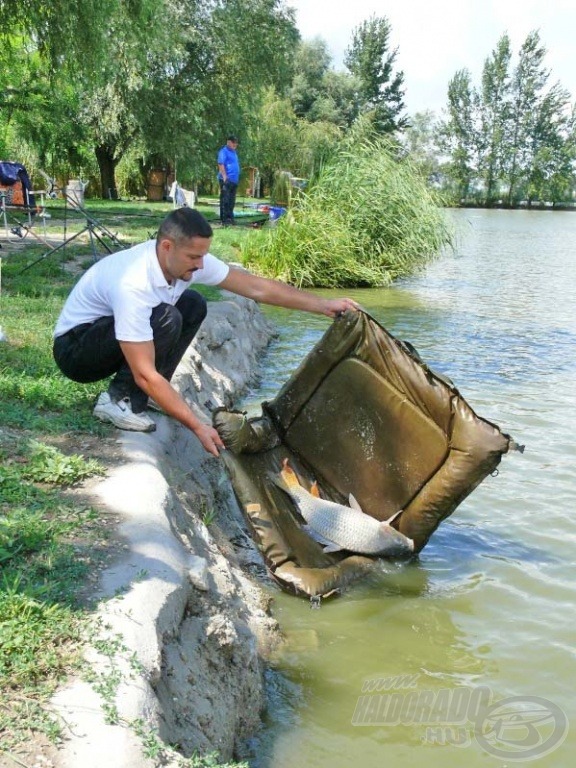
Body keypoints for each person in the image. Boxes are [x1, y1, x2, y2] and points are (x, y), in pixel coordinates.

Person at [53, 207, 360, 457]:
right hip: (76, 350)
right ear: (167, 246)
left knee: (193, 304)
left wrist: (323, 305)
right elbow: (144, 372)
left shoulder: (184, 260)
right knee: (165, 317)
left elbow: (256, 287)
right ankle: (115, 401)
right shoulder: (134, 282)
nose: (201, 265)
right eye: (194, 257)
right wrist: (197, 426)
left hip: (109, 336)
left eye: (203, 256)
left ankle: (144, 399)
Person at [217, 135, 240, 226]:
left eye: (236, 143)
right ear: (229, 142)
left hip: (234, 181)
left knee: (232, 201)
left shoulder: (234, 152)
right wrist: (224, 177)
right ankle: (224, 220)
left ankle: (230, 218)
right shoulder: (223, 151)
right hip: (226, 180)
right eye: (233, 142)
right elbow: (221, 164)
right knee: (225, 200)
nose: (235, 144)